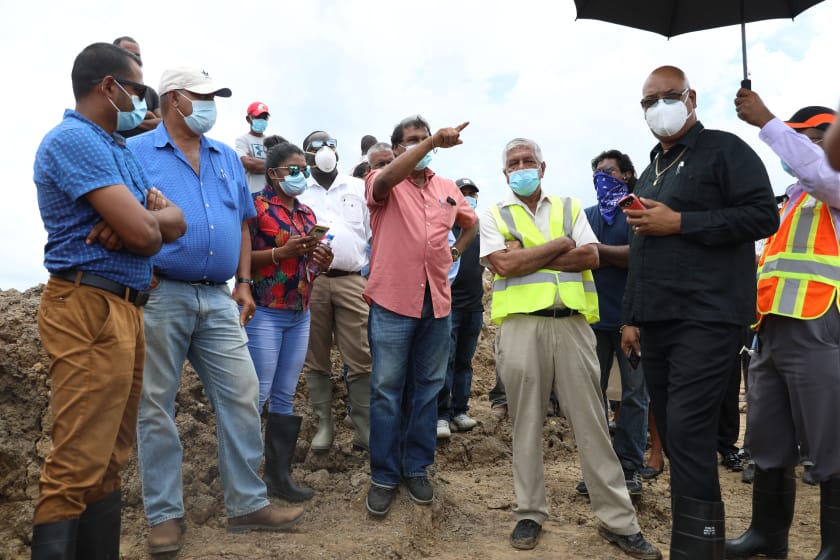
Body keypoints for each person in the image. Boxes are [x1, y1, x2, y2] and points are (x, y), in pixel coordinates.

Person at [129, 67, 304, 555]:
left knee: (243, 393)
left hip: (219, 296)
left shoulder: (225, 156)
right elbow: (121, 216)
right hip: (162, 294)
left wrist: (244, 282)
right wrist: (139, 269)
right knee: (156, 405)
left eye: (214, 97)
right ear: (174, 99)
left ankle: (247, 504)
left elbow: (243, 225)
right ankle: (165, 516)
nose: (210, 105)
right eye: (202, 96)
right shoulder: (137, 153)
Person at [30, 42, 186, 559]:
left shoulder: (117, 149)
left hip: (124, 308)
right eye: (138, 90)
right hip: (89, 307)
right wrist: (143, 223)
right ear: (108, 87)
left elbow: (174, 222)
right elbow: (148, 233)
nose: (143, 102)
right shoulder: (75, 140)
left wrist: (143, 222)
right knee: (78, 459)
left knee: (110, 458)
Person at [619, 66, 779, 559]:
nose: (659, 107)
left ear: (691, 98)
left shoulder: (725, 150)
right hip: (657, 320)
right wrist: (631, 316)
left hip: (707, 316)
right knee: (674, 435)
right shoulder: (652, 168)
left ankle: (696, 550)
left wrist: (681, 222)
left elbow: (763, 215)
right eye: (649, 101)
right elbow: (642, 249)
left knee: (689, 432)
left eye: (669, 96)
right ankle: (695, 542)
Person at [480, 137, 660, 558]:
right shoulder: (494, 213)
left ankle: (618, 520)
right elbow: (503, 264)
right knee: (525, 422)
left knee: (592, 422)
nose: (521, 168)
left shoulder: (568, 207)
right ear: (505, 173)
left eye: (528, 160)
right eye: (513, 163)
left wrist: (532, 255)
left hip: (574, 326)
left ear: (542, 168)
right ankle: (529, 512)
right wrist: (561, 245)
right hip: (522, 327)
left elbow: (590, 257)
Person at [727, 94, 840, 559]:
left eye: (807, 140)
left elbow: (820, 172)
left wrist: (770, 123)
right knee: (767, 438)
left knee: (830, 438)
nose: (799, 151)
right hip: (770, 329)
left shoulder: (830, 184)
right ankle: (767, 534)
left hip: (819, 325)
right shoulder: (793, 199)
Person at [363, 115, 478, 517]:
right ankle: (383, 475)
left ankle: (416, 468)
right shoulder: (382, 180)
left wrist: (455, 251)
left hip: (437, 302)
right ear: (397, 148)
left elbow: (470, 223)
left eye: (423, 138)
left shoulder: (446, 187)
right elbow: (384, 181)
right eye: (411, 140)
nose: (420, 145)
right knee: (387, 390)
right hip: (392, 301)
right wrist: (430, 143)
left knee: (428, 388)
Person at [246, 141, 332, 503]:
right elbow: (241, 259)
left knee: (284, 395)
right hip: (266, 310)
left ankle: (278, 478)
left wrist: (320, 260)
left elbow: (306, 265)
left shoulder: (307, 213)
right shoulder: (255, 207)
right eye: (293, 170)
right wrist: (281, 252)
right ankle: (245, 482)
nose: (301, 175)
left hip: (299, 312)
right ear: (272, 173)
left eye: (304, 170)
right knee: (257, 395)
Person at [576, 149, 648, 498]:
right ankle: (597, 469)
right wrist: (606, 255)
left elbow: (639, 258)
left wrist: (598, 253)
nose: (602, 179)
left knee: (634, 396)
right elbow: (578, 256)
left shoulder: (637, 212)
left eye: (609, 172)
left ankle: (629, 468)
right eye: (597, 174)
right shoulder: (587, 216)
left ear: (627, 175)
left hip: (633, 322)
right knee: (592, 398)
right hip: (593, 321)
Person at [297, 130, 373, 452]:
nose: (325, 149)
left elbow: (371, 234)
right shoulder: (299, 191)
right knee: (316, 355)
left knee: (361, 354)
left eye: (330, 143)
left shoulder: (357, 187)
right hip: (312, 282)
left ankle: (364, 427)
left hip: (352, 279)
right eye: (316, 145)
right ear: (305, 154)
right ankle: (324, 425)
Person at [436, 177, 483, 439]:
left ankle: (459, 410)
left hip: (474, 308)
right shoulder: (446, 230)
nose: (468, 197)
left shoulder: (478, 232)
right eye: (462, 193)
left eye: (472, 194)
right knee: (446, 361)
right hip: (449, 307)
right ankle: (441, 414)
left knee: (465, 362)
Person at [111, 36, 161, 137]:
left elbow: (163, 123)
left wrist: (130, 119)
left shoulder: (149, 92)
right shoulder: (108, 87)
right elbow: (105, 119)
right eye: (127, 53)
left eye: (137, 55)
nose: (134, 58)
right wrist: (141, 117)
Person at [236, 101, 271, 193]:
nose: (261, 120)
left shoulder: (272, 142)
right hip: (252, 194)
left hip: (271, 195)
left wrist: (255, 162)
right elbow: (248, 164)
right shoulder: (242, 140)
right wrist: (274, 165)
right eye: (258, 117)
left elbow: (281, 168)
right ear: (248, 119)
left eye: (264, 118)